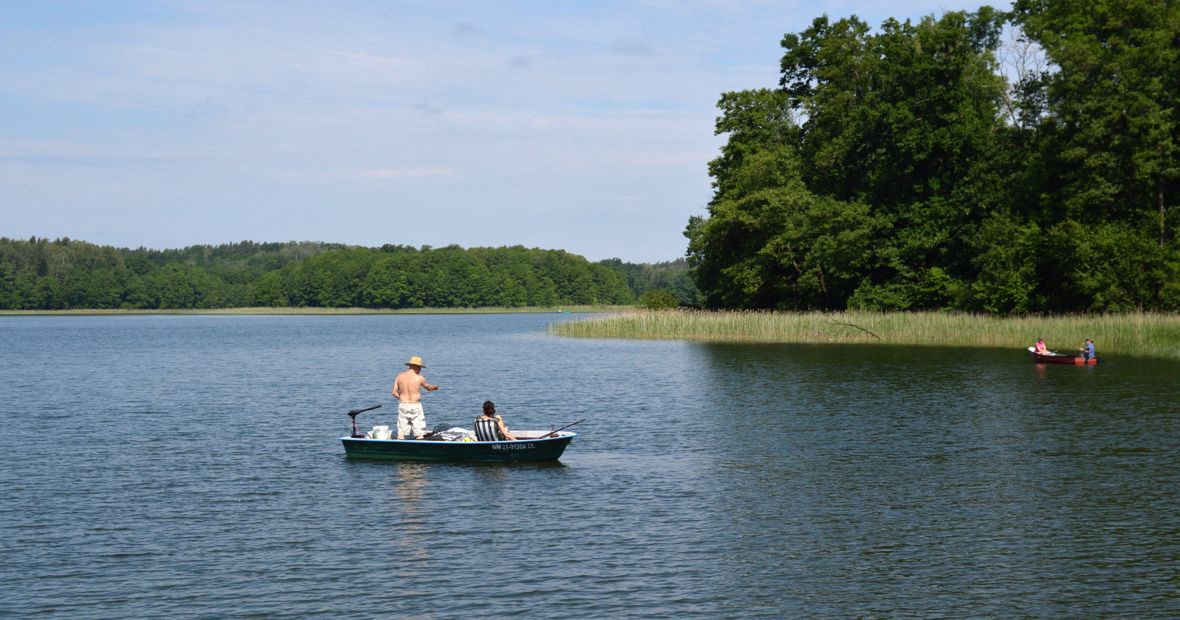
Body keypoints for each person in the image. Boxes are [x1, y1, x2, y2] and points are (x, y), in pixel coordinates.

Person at [391, 355, 439, 439]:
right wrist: (434, 388)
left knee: (401, 433)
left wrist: (402, 397)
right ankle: (419, 446)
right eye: (419, 367)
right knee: (419, 433)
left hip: (403, 405)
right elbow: (428, 388)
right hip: (415, 406)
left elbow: (394, 393)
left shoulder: (399, 376)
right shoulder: (419, 378)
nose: (420, 369)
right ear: (414, 366)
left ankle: (400, 446)